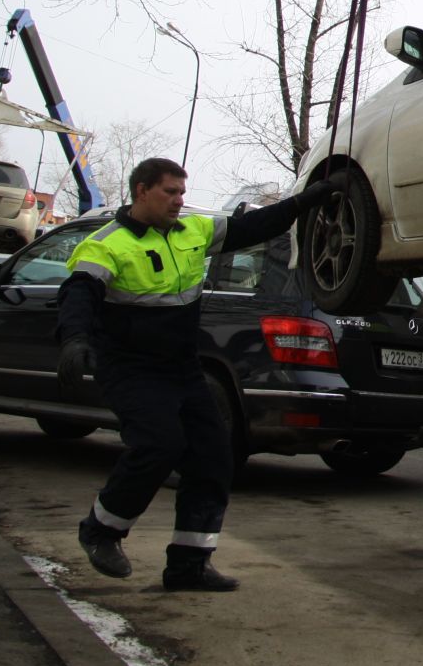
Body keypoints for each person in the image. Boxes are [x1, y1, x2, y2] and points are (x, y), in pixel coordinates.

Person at [58, 157, 339, 591]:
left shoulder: (193, 231)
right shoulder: (105, 244)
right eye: (170, 192)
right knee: (159, 445)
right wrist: (75, 340)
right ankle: (102, 530)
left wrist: (304, 202)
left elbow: (253, 227)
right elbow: (77, 296)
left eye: (182, 192)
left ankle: (189, 564)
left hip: (182, 369)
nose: (179, 200)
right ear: (141, 191)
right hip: (132, 370)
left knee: (213, 456)